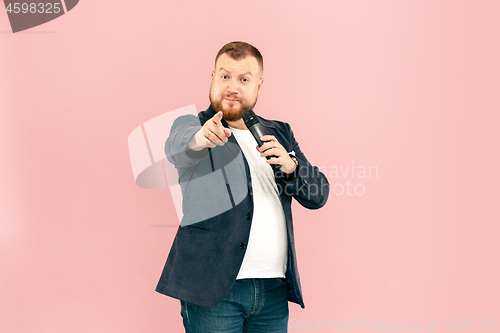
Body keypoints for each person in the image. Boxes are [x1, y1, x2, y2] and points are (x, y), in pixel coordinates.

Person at [156, 41, 330, 332]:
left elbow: (318, 195)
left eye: (244, 79)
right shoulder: (193, 125)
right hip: (213, 290)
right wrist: (200, 138)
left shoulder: (280, 132)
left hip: (273, 290)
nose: (232, 87)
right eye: (225, 76)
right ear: (212, 78)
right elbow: (177, 147)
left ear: (259, 86)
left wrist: (292, 168)